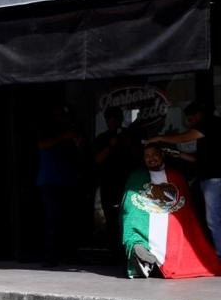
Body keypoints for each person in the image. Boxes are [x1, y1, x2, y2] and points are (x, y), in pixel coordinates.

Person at [122, 143, 221, 278]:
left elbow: (185, 207)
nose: (151, 159)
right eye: (147, 156)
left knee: (180, 228)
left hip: (171, 217)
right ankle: (141, 254)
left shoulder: (176, 176)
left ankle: (150, 262)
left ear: (162, 155)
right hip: (146, 217)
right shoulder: (136, 176)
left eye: (154, 154)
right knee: (133, 222)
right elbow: (130, 204)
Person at [150, 101, 221, 258]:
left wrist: (158, 138)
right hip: (208, 178)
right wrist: (178, 154)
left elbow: (182, 138)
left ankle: (220, 255)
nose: (189, 124)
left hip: (214, 180)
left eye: (190, 119)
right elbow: (199, 159)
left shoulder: (210, 123)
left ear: (198, 115)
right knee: (212, 218)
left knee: (213, 219)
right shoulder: (210, 130)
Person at [36, 105, 83, 266]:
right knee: (52, 220)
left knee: (69, 220)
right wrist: (65, 137)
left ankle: (69, 254)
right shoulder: (47, 129)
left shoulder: (70, 131)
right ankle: (50, 257)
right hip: (50, 181)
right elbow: (42, 145)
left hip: (68, 180)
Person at [94, 106, 139, 265]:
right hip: (108, 184)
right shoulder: (102, 138)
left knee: (129, 218)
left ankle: (130, 253)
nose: (112, 122)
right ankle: (115, 255)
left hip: (128, 184)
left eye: (115, 119)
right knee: (111, 221)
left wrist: (126, 142)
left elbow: (138, 156)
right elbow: (97, 160)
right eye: (109, 119)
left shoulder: (129, 135)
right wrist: (111, 145)